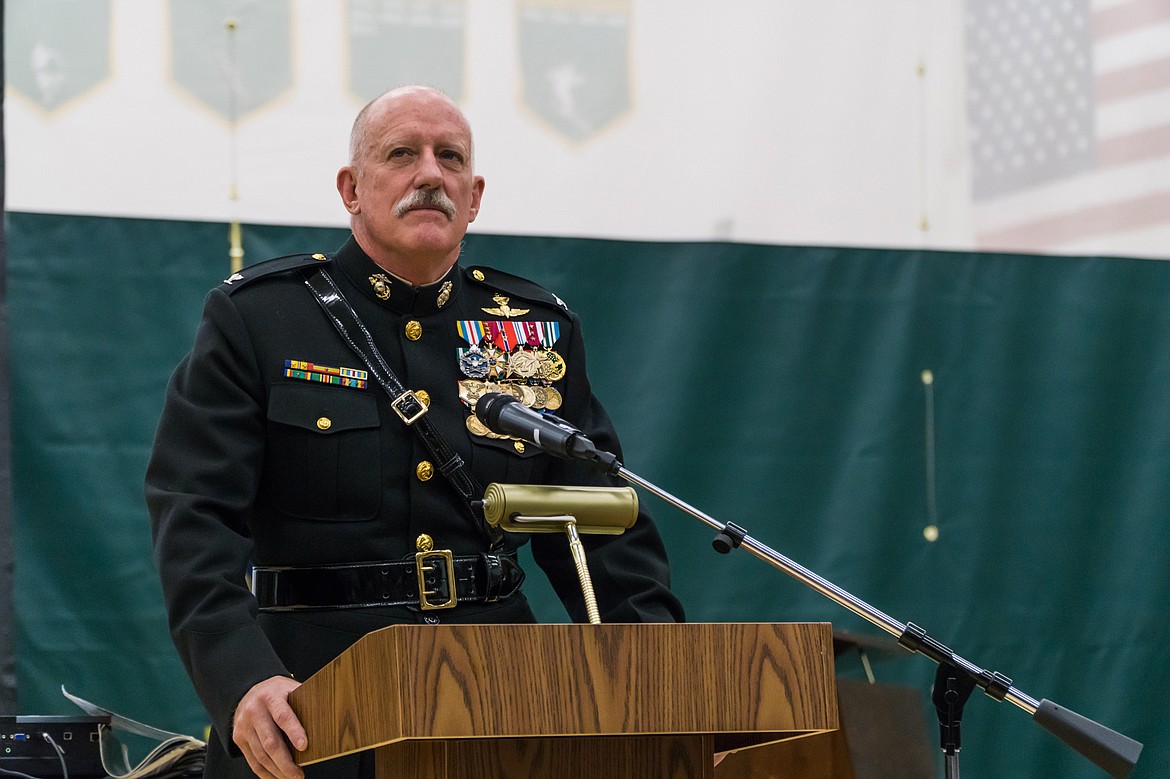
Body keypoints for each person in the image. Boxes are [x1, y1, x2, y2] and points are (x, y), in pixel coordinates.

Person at [145, 85, 684, 779]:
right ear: (352, 187)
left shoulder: (531, 331)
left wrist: (665, 674)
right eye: (402, 153)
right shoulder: (260, 319)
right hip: (314, 709)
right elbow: (193, 518)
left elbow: (603, 529)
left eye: (449, 157)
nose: (430, 173)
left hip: (503, 707)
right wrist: (242, 679)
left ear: (475, 195)